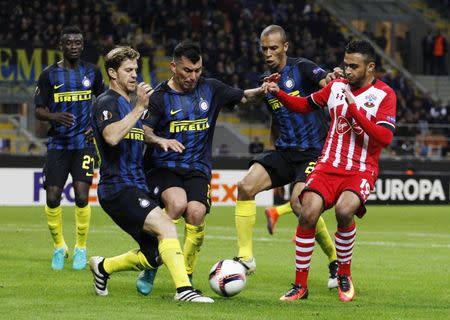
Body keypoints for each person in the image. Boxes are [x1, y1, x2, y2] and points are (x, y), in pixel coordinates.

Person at [264, 39, 396, 302]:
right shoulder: (336, 86)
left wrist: (355, 109)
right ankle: (300, 285)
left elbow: (384, 137)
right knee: (307, 210)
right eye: (346, 65)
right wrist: (278, 93)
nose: (347, 71)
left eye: (354, 66)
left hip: (360, 168)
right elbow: (305, 105)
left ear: (370, 67)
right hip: (328, 165)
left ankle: (343, 275)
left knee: (344, 210)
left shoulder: (385, 95)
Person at [135, 40, 265, 295]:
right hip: (163, 166)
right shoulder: (160, 97)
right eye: (187, 71)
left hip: (197, 168)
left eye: (197, 70)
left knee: (195, 213)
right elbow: (145, 131)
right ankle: (151, 262)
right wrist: (161, 140)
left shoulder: (211, 89)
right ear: (173, 67)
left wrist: (264, 89)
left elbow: (244, 96)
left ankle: (186, 275)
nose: (193, 77)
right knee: (176, 204)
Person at [89, 46, 213, 303]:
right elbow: (111, 137)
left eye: (136, 69)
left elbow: (135, 139)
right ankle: (184, 290)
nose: (134, 75)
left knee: (154, 254)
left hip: (138, 185)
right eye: (128, 70)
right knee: (167, 225)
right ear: (112, 73)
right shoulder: (107, 102)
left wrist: (158, 141)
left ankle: (103, 267)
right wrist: (139, 108)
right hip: (118, 188)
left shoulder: (127, 103)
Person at [234, 25, 339, 289]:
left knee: (299, 204)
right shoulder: (266, 81)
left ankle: (335, 260)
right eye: (264, 49)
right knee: (245, 187)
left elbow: (325, 80)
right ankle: (246, 257)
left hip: (313, 152)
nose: (268, 53)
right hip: (283, 151)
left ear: (285, 47)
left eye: (273, 48)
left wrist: (332, 77)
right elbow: (277, 119)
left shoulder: (302, 68)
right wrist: (271, 153)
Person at [34, 26, 104, 270]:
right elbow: (38, 109)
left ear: (82, 45)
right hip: (58, 145)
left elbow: (104, 103)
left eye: (77, 42)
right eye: (69, 42)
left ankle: (81, 248)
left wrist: (95, 126)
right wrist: (54, 117)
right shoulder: (49, 75)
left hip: (84, 145)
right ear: (60, 46)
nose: (73, 46)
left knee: (82, 197)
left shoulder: (93, 72)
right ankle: (59, 247)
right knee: (52, 197)